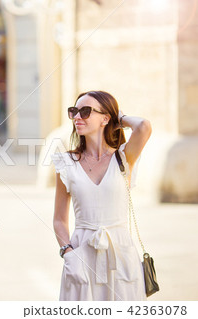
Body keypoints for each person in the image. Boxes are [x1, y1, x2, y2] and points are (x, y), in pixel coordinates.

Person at [51, 90, 152, 301]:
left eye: (86, 111)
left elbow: (143, 127)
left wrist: (119, 118)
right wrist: (68, 254)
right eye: (74, 111)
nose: (77, 117)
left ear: (105, 118)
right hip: (80, 254)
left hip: (121, 255)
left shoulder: (124, 157)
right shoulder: (66, 163)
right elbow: (59, 219)